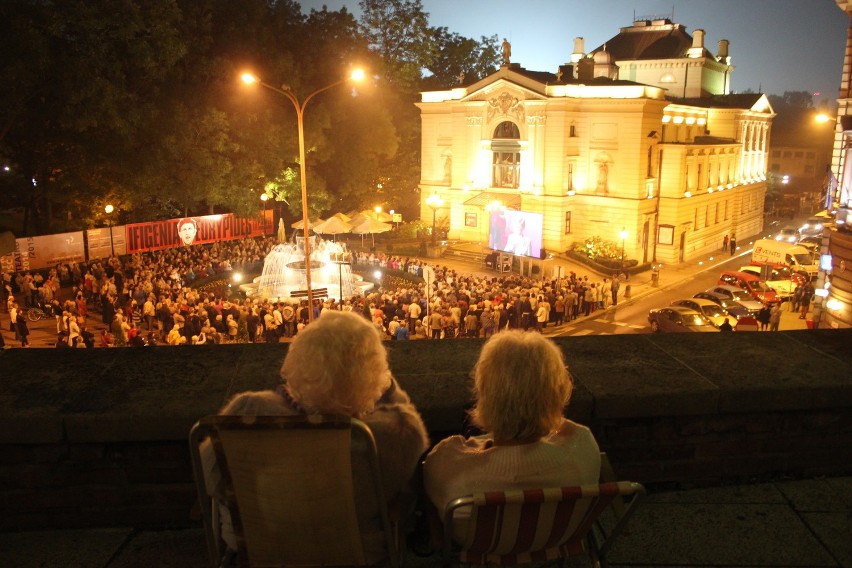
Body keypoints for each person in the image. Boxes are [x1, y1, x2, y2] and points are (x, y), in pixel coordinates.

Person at [200, 311, 429, 563]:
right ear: (375, 375)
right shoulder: (391, 434)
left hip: (262, 553)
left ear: (296, 356)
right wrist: (380, 380)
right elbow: (405, 418)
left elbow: (212, 479)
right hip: (354, 555)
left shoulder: (248, 411)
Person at [424, 331, 600, 544]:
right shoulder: (582, 446)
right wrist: (540, 406)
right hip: (553, 539)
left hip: (479, 545)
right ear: (559, 391)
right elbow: (567, 428)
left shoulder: (448, 464)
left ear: (483, 392)